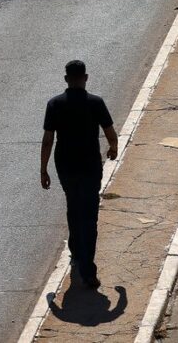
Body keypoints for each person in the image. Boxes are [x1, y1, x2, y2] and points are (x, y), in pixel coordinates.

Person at [40, 60, 118, 289]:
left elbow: (48, 140)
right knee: (89, 215)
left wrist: (43, 169)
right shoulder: (95, 103)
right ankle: (87, 268)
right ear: (85, 77)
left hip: (65, 165)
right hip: (90, 165)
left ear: (66, 79)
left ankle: (76, 250)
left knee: (74, 208)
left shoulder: (54, 104)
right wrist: (113, 148)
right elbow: (110, 133)